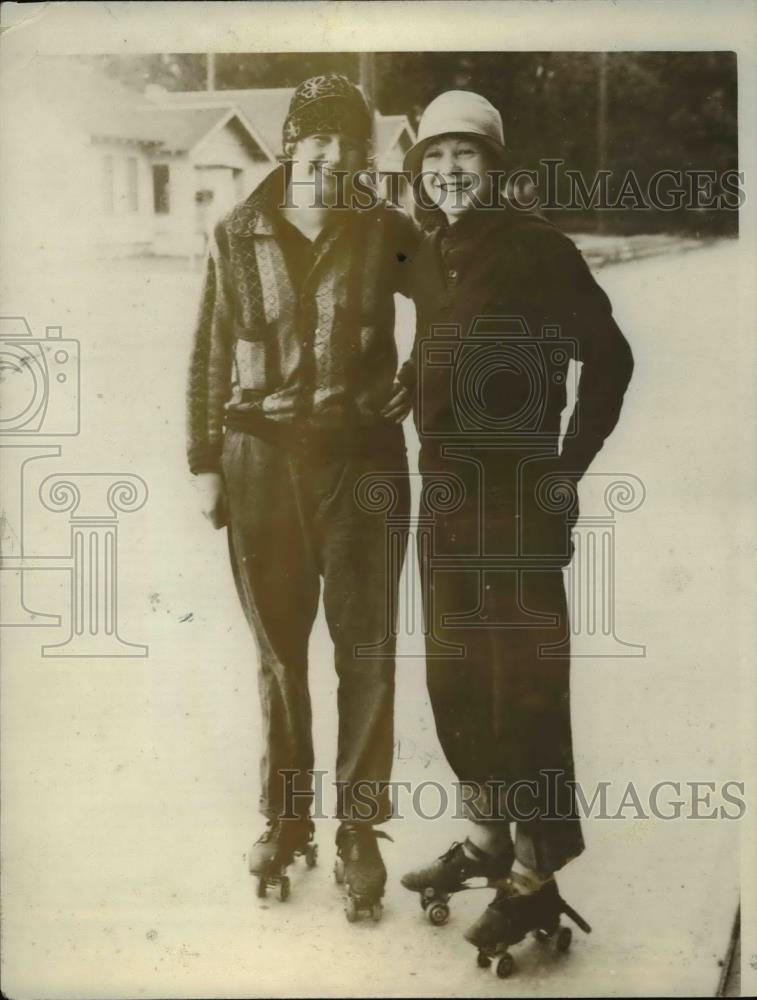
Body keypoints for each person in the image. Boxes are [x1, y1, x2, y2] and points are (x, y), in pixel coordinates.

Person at [397, 91, 634, 960]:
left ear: (493, 165)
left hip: (516, 505)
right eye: (434, 159)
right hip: (446, 501)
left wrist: (565, 471)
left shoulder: (539, 248)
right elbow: (441, 335)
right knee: (458, 683)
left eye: (465, 155)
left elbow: (608, 358)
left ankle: (534, 876)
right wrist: (409, 373)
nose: (449, 172)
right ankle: (486, 843)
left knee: (521, 691)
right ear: (420, 172)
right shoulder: (431, 251)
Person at [185, 74, 417, 919]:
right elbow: (210, 352)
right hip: (260, 462)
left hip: (363, 463)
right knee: (279, 654)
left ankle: (357, 829)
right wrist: (205, 461)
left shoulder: (386, 228)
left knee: (365, 650)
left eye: (347, 147)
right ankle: (288, 821)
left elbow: (450, 305)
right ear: (291, 146)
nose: (331, 159)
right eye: (316, 143)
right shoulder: (234, 230)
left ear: (361, 156)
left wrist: (422, 375)